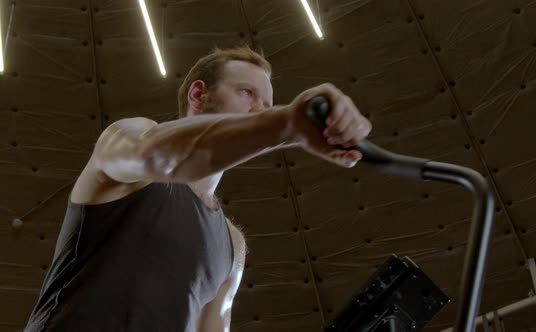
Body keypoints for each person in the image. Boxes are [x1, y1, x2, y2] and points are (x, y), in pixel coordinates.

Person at [24, 46, 372, 331]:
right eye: (246, 93)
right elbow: (154, 154)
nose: (260, 111)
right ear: (198, 94)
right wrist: (286, 124)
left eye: (268, 106)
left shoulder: (233, 245)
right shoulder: (130, 139)